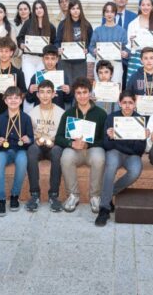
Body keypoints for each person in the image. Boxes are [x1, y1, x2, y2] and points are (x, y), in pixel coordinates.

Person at [54, 77, 108, 213]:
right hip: (74, 149)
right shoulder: (68, 114)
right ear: (74, 94)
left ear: (90, 93)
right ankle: (73, 195)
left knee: (99, 159)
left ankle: (95, 196)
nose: (82, 96)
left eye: (85, 92)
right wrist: (71, 143)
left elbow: (105, 140)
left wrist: (88, 145)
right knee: (65, 158)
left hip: (93, 149)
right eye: (78, 93)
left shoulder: (101, 114)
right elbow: (58, 138)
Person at [95, 90, 148, 226]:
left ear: (135, 104)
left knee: (136, 170)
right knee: (111, 164)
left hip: (131, 156)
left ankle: (108, 193)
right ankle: (104, 208)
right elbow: (106, 145)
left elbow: (139, 150)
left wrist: (119, 142)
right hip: (114, 153)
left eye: (130, 102)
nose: (127, 106)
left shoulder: (140, 119)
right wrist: (111, 138)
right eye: (124, 102)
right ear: (119, 103)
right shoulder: (111, 118)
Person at [26, 80, 65, 212]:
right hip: (38, 145)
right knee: (31, 151)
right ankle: (34, 194)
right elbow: (29, 134)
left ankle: (53, 195)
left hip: (53, 145)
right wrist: (35, 140)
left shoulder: (61, 112)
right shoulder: (32, 112)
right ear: (37, 94)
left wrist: (55, 142)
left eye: (48, 92)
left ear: (54, 94)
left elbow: (62, 135)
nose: (45, 96)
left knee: (57, 152)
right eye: (42, 92)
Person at [0, 87, 34, 216]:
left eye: (16, 98)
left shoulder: (26, 118)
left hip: (20, 150)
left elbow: (31, 138)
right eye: (10, 98)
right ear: (5, 101)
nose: (13, 100)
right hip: (4, 151)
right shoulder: (0, 118)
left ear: (21, 100)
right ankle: (0, 199)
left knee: (22, 163)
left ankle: (14, 196)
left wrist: (28, 139)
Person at [126, 0, 153, 85]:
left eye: (148, 5)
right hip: (135, 59)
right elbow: (129, 45)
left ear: (152, 7)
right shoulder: (132, 24)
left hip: (150, 59)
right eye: (143, 5)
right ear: (140, 6)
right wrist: (132, 43)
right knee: (134, 84)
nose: (145, 7)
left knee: (149, 85)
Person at [17, 0, 56, 87]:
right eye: (36, 8)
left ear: (44, 9)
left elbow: (54, 43)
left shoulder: (51, 27)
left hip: (43, 59)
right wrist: (21, 44)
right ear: (34, 11)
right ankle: (29, 101)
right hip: (28, 58)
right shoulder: (28, 23)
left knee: (41, 84)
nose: (38, 10)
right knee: (29, 84)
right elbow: (20, 38)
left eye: (40, 7)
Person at [90, 2, 129, 85]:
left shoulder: (122, 31)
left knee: (115, 91)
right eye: (107, 11)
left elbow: (126, 47)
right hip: (101, 64)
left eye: (112, 12)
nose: (109, 14)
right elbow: (91, 46)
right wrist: (94, 51)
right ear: (104, 14)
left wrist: (125, 53)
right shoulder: (97, 30)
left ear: (115, 14)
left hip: (116, 64)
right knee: (100, 91)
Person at [55, 0, 93, 86]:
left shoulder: (87, 24)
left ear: (81, 10)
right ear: (69, 10)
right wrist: (58, 49)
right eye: (73, 9)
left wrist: (87, 49)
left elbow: (91, 43)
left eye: (77, 8)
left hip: (80, 62)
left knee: (79, 86)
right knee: (65, 87)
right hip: (65, 62)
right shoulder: (63, 24)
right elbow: (57, 41)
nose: (75, 11)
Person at [0, 37, 27, 117]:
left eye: (7, 51)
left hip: (13, 111)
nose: (4, 54)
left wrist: (13, 96)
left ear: (11, 53)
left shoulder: (18, 73)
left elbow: (24, 93)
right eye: (1, 51)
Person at [25, 45, 71, 109]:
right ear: (43, 59)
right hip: (40, 114)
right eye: (47, 58)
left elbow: (68, 100)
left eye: (53, 58)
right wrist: (30, 91)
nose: (49, 62)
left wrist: (68, 92)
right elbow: (29, 100)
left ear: (57, 59)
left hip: (57, 114)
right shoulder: (36, 76)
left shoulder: (63, 76)